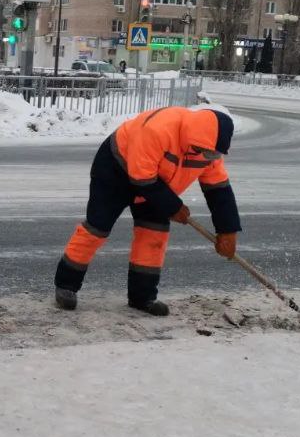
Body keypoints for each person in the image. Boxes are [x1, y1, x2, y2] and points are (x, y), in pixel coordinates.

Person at [54, 106, 241, 317]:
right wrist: (173, 207)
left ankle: (142, 297)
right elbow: (142, 176)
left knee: (154, 234)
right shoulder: (158, 130)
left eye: (215, 154)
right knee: (98, 227)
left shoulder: (210, 151)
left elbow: (219, 191)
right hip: (117, 170)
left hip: (158, 182)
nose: (210, 158)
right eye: (208, 152)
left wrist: (228, 231)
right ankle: (66, 285)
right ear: (194, 139)